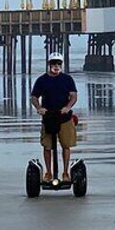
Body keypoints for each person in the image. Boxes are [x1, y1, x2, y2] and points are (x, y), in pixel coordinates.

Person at [31, 52, 77, 185]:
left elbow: (73, 96)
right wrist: (39, 108)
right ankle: (48, 172)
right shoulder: (42, 80)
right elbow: (34, 96)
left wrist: (68, 107)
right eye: (53, 64)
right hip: (48, 117)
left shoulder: (67, 79)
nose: (56, 66)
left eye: (58, 64)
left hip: (65, 117)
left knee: (66, 146)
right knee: (47, 146)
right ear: (49, 65)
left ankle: (66, 172)